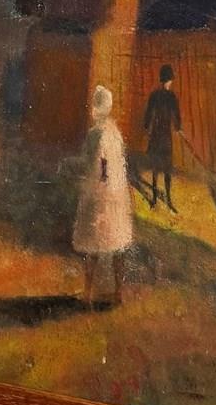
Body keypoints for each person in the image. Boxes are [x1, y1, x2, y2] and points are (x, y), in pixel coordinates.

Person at [72, 85, 133, 307]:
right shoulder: (115, 133)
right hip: (116, 193)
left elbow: (95, 162)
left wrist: (79, 169)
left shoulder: (94, 133)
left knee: (94, 244)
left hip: (99, 191)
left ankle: (88, 293)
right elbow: (119, 163)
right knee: (117, 244)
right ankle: (118, 292)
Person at [142, 63, 182, 212]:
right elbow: (176, 115)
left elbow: (149, 114)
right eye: (170, 80)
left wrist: (147, 126)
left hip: (158, 135)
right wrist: (178, 127)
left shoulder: (156, 95)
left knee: (157, 168)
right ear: (168, 80)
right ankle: (166, 199)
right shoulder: (170, 96)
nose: (171, 82)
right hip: (164, 135)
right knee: (165, 168)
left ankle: (156, 199)